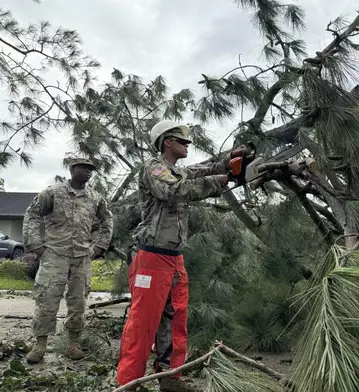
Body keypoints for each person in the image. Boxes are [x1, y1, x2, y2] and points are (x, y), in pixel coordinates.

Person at [115, 120, 249, 392]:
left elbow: (200, 169)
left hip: (174, 258)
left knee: (174, 319)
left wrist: (230, 161)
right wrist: (218, 182)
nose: (188, 145)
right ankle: (129, 382)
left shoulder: (176, 170)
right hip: (151, 258)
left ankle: (169, 377)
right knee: (143, 323)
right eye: (182, 141)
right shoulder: (154, 168)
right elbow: (174, 190)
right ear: (167, 141)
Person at [22, 157, 114, 364]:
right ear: (72, 169)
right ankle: (40, 345)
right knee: (46, 300)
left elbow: (107, 220)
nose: (88, 172)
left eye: (91, 169)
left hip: (82, 257)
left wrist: (99, 246)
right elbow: (32, 215)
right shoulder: (53, 192)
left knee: (79, 301)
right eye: (83, 168)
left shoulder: (95, 197)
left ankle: (73, 343)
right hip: (54, 255)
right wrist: (36, 246)